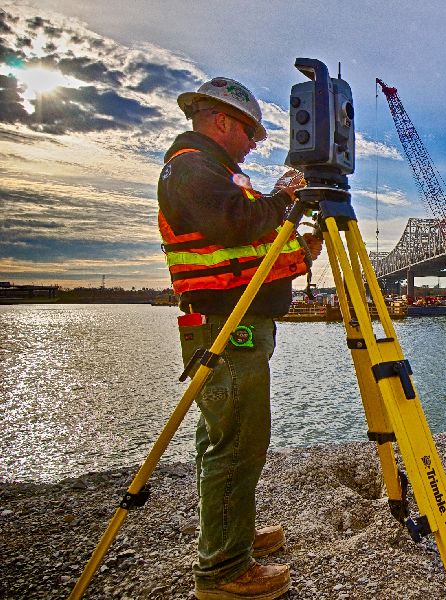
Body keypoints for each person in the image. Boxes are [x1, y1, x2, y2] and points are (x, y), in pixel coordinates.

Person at [157, 77, 321, 600]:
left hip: (237, 325)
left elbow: (246, 252)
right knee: (237, 444)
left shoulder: (215, 173)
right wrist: (285, 197)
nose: (254, 143)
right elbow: (239, 223)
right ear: (222, 121)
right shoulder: (191, 168)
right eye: (250, 131)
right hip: (225, 330)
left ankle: (231, 536)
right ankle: (224, 572)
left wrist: (301, 249)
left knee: (222, 441)